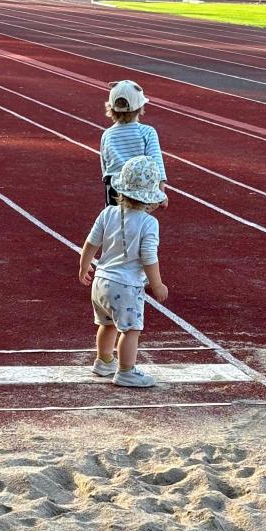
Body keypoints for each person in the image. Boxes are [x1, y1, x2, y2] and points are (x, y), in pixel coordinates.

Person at [79, 154, 169, 389]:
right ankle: (126, 371)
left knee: (106, 324)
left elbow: (91, 242)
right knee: (131, 330)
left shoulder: (108, 212)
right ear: (150, 197)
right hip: (126, 285)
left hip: (101, 281)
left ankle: (104, 361)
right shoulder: (149, 223)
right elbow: (149, 257)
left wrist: (84, 266)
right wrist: (157, 284)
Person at [100, 79, 168, 209]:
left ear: (111, 107)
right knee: (139, 219)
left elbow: (105, 167)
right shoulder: (147, 132)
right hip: (140, 188)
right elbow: (156, 162)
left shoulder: (107, 134)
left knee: (113, 218)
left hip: (114, 187)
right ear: (140, 108)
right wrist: (161, 193)